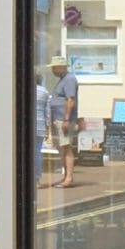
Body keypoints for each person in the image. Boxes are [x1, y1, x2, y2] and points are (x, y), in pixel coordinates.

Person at [49, 57, 81, 188]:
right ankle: (65, 176)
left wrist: (66, 119)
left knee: (66, 147)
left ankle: (68, 178)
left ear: (61, 67)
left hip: (64, 119)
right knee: (62, 148)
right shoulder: (63, 80)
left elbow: (70, 100)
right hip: (59, 118)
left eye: (54, 67)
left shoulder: (69, 79)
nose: (52, 70)